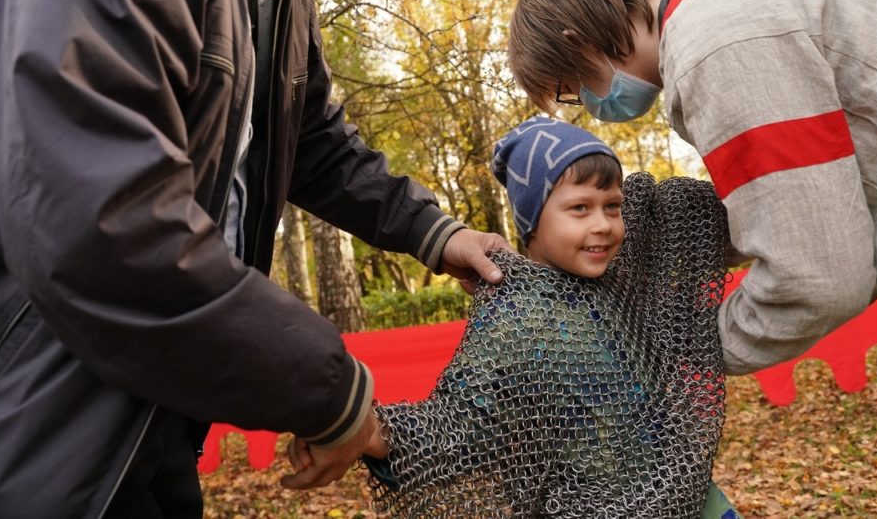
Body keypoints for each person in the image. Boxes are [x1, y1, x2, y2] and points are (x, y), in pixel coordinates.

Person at [0, 0, 509, 516]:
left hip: (155, 424)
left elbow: (315, 143)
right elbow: (102, 230)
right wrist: (331, 392)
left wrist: (436, 232)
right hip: (27, 437)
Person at [505, 0, 877, 518]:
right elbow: (812, 197)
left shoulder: (715, 43)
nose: (589, 104)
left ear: (579, 43)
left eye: (573, 91)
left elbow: (816, 274)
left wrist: (679, 349)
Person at [291, 115, 740, 517]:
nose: (602, 224)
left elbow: (676, 212)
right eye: (579, 208)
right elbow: (458, 425)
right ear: (532, 222)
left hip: (689, 494)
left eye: (612, 206)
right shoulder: (514, 316)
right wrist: (368, 432)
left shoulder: (621, 274)